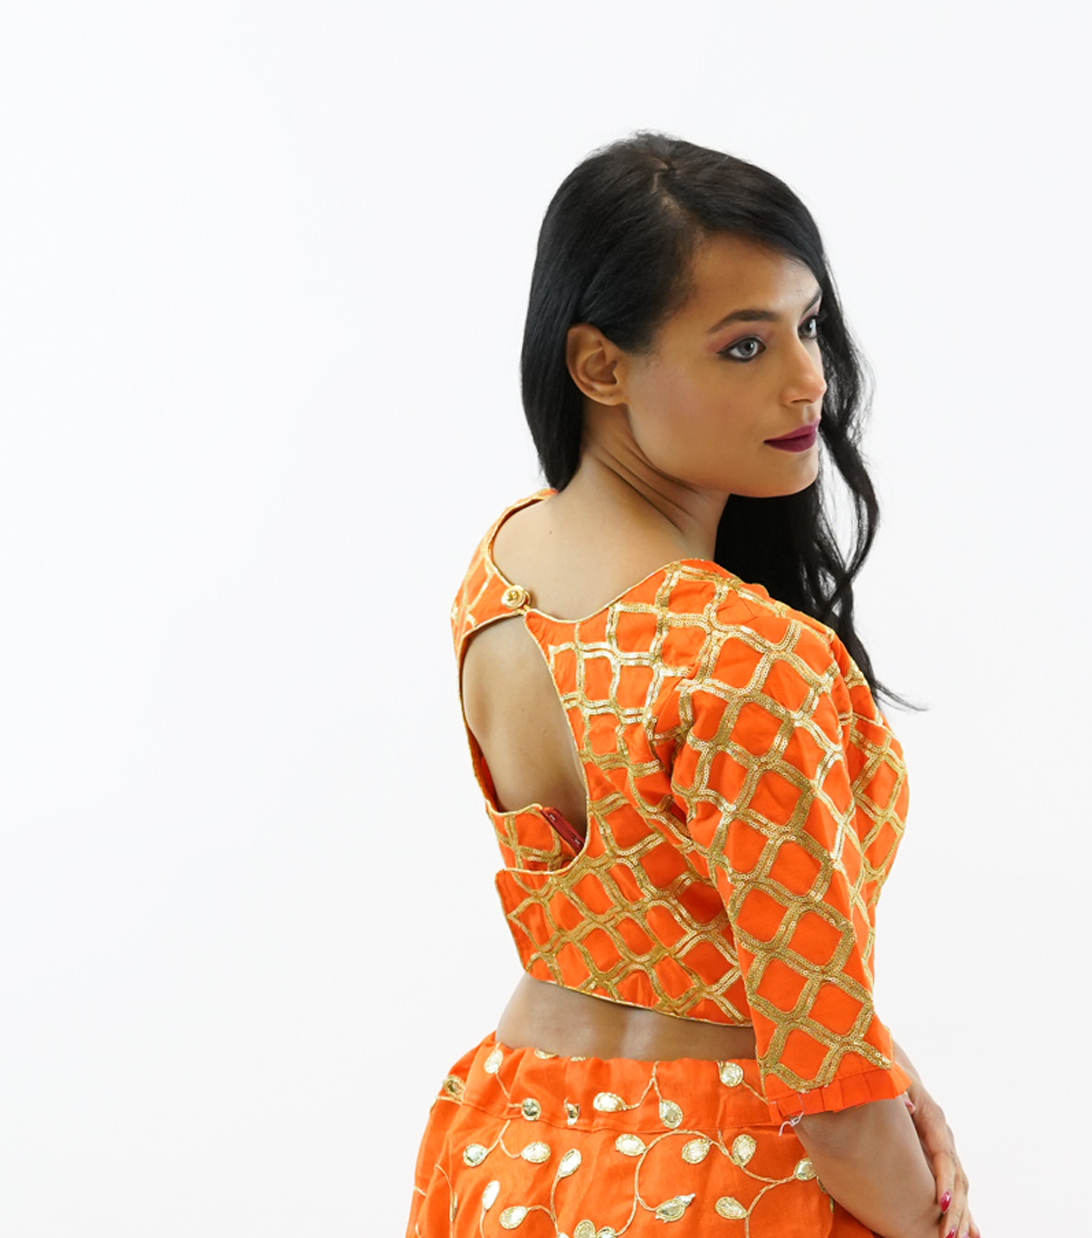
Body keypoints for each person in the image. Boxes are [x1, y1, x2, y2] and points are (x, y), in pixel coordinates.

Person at [402, 131, 978, 1238]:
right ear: (599, 367)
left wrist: (894, 1074)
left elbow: (700, 931)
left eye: (808, 325)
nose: (808, 379)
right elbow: (828, 1096)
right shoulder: (748, 656)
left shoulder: (503, 569)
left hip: (510, 1150)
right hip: (726, 1179)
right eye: (742, 346)